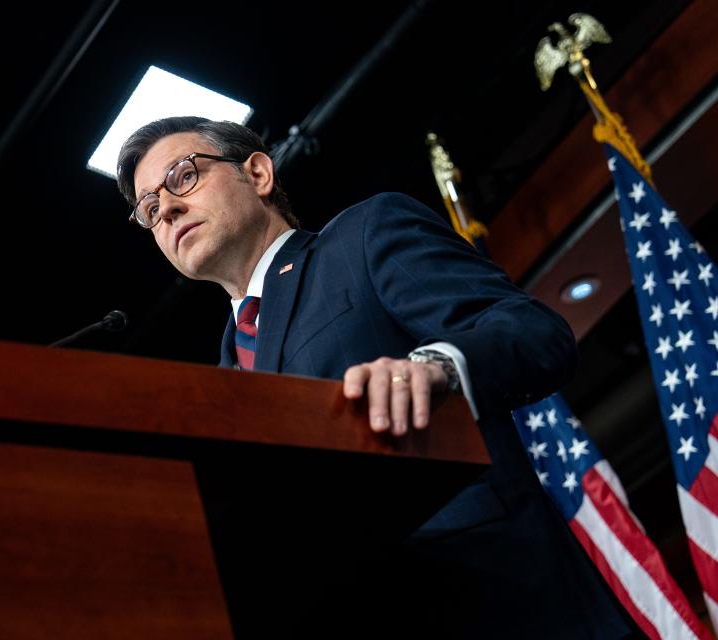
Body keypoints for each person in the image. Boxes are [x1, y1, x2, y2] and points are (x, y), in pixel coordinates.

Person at [116, 116, 641, 638]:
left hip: (509, 603)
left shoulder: (363, 236)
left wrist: (437, 367)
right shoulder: (222, 376)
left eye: (183, 176)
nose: (168, 209)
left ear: (257, 174)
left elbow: (533, 332)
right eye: (150, 209)